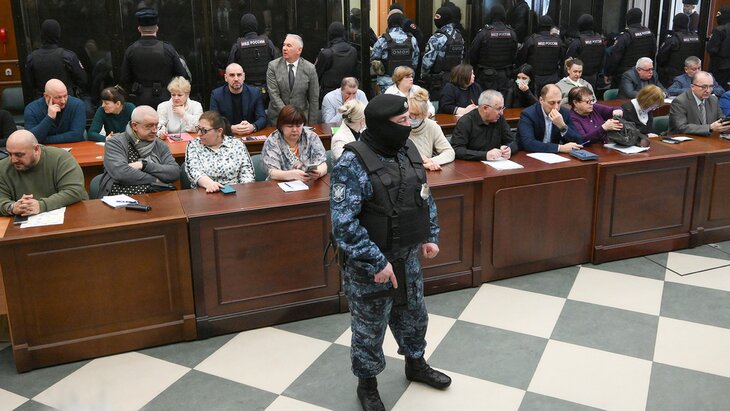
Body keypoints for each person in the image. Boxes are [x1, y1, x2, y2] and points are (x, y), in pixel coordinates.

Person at [329, 93, 450, 411]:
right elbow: (344, 225)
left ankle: (416, 364)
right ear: (383, 125)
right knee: (369, 330)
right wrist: (376, 261)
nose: (409, 125)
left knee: (415, 316)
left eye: (410, 118)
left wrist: (430, 235)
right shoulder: (351, 163)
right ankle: (367, 386)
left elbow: (424, 195)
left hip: (407, 257)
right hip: (370, 267)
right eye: (402, 121)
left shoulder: (408, 149)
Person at [0, 130, 87, 216]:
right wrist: (12, 207)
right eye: (10, 154)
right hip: (25, 220)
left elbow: (74, 191)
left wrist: (41, 205)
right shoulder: (3, 167)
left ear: (36, 149)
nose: (13, 160)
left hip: (70, 214)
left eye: (19, 155)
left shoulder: (60, 158)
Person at [98, 106, 179, 196]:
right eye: (149, 126)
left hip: (155, 196)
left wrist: (144, 165)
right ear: (135, 126)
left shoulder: (159, 144)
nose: (155, 130)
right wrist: (156, 179)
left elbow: (174, 172)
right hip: (120, 196)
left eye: (156, 125)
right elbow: (121, 173)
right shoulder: (115, 143)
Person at [120, 8, 190, 108]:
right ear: (157, 28)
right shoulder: (168, 49)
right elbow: (182, 75)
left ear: (139, 29)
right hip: (166, 100)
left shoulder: (131, 50)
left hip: (140, 100)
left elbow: (125, 79)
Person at [184, 111, 255, 192]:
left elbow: (247, 172)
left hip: (236, 191)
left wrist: (243, 191)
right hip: (205, 191)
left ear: (219, 131)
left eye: (204, 130)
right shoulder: (194, 145)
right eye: (198, 129)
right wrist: (210, 184)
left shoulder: (236, 144)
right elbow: (194, 171)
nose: (199, 134)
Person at [260, 105, 327, 181]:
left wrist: (319, 172)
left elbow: (323, 164)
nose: (295, 130)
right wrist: (291, 175)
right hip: (279, 184)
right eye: (290, 126)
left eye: (298, 126)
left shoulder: (311, 137)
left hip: (309, 183)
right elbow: (272, 173)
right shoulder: (272, 141)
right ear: (281, 126)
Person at [24, 19, 87, 98]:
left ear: (42, 35)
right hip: (66, 100)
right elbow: (82, 80)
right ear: (58, 34)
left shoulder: (31, 58)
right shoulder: (68, 56)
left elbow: (30, 83)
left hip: (44, 100)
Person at [266, 34, 320, 125]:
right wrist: (289, 116)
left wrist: (312, 124)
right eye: (284, 45)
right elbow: (274, 95)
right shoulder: (273, 66)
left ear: (299, 50)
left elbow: (314, 99)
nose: (284, 48)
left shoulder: (310, 68)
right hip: (278, 119)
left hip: (301, 120)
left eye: (289, 45)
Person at [451, 89, 517, 162]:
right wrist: (485, 155)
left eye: (502, 108)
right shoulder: (466, 122)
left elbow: (513, 141)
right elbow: (457, 150)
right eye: (498, 109)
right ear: (485, 108)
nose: (501, 113)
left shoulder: (499, 119)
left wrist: (509, 149)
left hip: (496, 163)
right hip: (472, 165)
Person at [468, 4, 518, 98]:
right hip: (505, 75)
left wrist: (476, 70)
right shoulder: (511, 33)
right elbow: (515, 54)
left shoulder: (484, 33)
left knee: (486, 101)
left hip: (486, 75)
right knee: (503, 102)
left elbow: (472, 54)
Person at [517, 84, 583, 153]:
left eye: (559, 102)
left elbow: (578, 141)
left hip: (554, 156)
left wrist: (562, 126)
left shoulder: (564, 113)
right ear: (541, 100)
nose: (556, 107)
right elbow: (528, 143)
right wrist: (560, 148)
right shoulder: (528, 114)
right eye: (552, 103)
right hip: (529, 155)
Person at [210, 63, 267, 137]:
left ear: (244, 76)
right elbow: (213, 120)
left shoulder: (254, 93)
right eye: (232, 75)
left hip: (249, 135)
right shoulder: (217, 95)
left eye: (239, 75)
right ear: (226, 78)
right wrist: (230, 128)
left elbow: (262, 118)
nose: (236, 79)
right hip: (227, 136)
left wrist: (253, 127)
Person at [421, 7, 465, 101]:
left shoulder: (438, 37)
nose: (435, 19)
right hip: (455, 80)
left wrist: (423, 76)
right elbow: (461, 59)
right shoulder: (458, 36)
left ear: (444, 18)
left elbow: (427, 62)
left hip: (438, 82)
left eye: (437, 16)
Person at [227, 13, 278, 95]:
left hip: (246, 91)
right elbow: (278, 66)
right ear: (256, 25)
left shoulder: (238, 46)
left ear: (243, 26)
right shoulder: (267, 43)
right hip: (267, 90)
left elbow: (230, 69)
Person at [24, 79, 86, 144]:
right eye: (58, 97)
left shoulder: (77, 105)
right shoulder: (32, 109)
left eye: (65, 96)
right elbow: (31, 139)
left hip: (75, 147)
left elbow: (76, 135)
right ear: (46, 96)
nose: (63, 101)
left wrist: (43, 140)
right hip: (44, 149)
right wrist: (49, 118)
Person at [669, 71, 730, 136]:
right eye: (704, 87)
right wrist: (710, 128)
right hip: (685, 139)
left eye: (711, 86)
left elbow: (721, 120)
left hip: (708, 139)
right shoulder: (680, 101)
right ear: (692, 87)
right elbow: (681, 127)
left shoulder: (713, 100)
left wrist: (726, 126)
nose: (708, 90)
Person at [516, 15, 566, 94]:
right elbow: (563, 61)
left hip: (534, 80)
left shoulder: (531, 40)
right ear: (550, 27)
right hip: (552, 79)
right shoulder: (558, 41)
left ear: (538, 25)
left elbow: (521, 59)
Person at [371, 12, 420, 90]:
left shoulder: (383, 40)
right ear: (402, 24)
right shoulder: (412, 40)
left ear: (389, 23)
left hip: (387, 84)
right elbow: (415, 62)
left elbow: (374, 60)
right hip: (405, 83)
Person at [605, 8, 656, 85]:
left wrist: (608, 73)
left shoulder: (625, 36)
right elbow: (653, 53)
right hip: (643, 74)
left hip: (625, 75)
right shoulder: (649, 34)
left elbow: (615, 58)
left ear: (628, 19)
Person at [407, 88, 455, 170]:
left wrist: (431, 161)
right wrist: (422, 164)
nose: (412, 118)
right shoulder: (400, 127)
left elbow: (449, 152)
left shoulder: (432, 126)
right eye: (410, 114)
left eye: (416, 114)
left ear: (424, 114)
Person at [315, 22, 359, 100]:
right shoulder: (353, 51)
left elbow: (315, 75)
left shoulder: (326, 53)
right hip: (349, 92)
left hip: (329, 94)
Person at [656, 14, 701, 88]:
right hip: (691, 75)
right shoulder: (695, 38)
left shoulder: (673, 40)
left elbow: (660, 59)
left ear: (675, 23)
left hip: (673, 77)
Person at [565, 14, 605, 90]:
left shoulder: (578, 42)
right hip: (594, 76)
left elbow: (568, 61)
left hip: (578, 78)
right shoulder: (600, 40)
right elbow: (603, 59)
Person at [707, 6, 730, 91]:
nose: (717, 17)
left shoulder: (719, 30)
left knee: (717, 89)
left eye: (719, 14)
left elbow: (712, 49)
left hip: (719, 66)